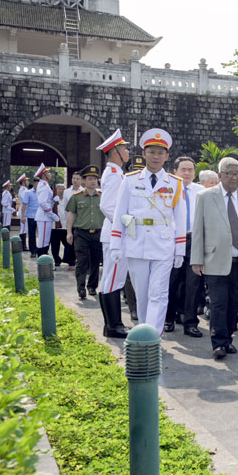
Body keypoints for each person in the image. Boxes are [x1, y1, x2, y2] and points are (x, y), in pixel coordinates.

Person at [110, 128, 186, 336]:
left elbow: (180, 219)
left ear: (167, 156)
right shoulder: (130, 180)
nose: (156, 156)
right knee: (142, 294)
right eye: (151, 152)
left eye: (160, 153)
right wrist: (116, 244)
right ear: (143, 154)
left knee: (159, 294)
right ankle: (144, 332)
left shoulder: (175, 184)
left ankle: (154, 336)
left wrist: (180, 250)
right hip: (137, 244)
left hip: (163, 246)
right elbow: (119, 214)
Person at [191, 157, 238, 360]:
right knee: (218, 304)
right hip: (215, 260)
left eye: (237, 174)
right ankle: (218, 343)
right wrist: (196, 259)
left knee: (234, 303)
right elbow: (197, 229)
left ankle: (228, 339)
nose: (234, 177)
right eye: (230, 173)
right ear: (220, 175)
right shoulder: (205, 197)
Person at [164, 156, 205, 337]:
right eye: (183, 169)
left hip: (194, 240)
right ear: (175, 172)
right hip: (172, 241)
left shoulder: (201, 191)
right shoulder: (167, 189)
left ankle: (190, 322)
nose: (187, 173)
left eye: (190, 170)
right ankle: (168, 318)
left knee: (193, 284)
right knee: (171, 281)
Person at [97, 130, 132, 337]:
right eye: (124, 148)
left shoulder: (117, 173)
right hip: (115, 236)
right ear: (115, 152)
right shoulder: (112, 174)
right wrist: (126, 225)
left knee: (112, 279)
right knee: (113, 280)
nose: (127, 151)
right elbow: (108, 206)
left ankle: (112, 324)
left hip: (114, 234)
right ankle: (113, 326)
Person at [66, 166, 104, 301]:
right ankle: (81, 288)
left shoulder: (102, 197)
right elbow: (71, 214)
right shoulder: (76, 197)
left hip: (98, 234)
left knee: (95, 261)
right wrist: (69, 232)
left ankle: (92, 286)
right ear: (84, 181)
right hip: (81, 233)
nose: (93, 182)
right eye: (90, 179)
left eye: (95, 179)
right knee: (82, 261)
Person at [122, 155, 145, 322]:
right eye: (134, 169)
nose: (137, 172)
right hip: (129, 234)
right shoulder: (126, 184)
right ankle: (134, 308)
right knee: (131, 275)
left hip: (149, 238)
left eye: (140, 168)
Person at [61, 171, 83, 269]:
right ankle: (70, 262)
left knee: (79, 242)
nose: (75, 180)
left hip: (80, 221)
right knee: (69, 242)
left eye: (77, 179)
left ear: (81, 180)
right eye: (74, 178)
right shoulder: (67, 192)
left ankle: (79, 261)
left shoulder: (84, 191)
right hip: (70, 220)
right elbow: (65, 207)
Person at [33, 164, 55, 257]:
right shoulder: (44, 186)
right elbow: (42, 203)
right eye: (48, 172)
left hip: (44, 216)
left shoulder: (44, 185)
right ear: (44, 175)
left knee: (44, 239)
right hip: (45, 216)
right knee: (44, 240)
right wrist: (51, 214)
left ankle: (43, 259)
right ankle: (42, 259)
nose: (50, 174)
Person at [20, 176, 39, 256]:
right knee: (31, 234)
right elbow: (24, 205)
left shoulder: (42, 192)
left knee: (41, 234)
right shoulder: (28, 192)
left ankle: (41, 250)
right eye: (37, 183)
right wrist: (23, 216)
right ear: (34, 183)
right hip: (31, 216)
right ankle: (33, 251)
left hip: (40, 216)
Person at [49, 183, 67, 266]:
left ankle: (67, 259)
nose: (61, 191)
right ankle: (57, 259)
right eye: (59, 189)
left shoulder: (66, 200)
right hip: (55, 226)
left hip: (65, 226)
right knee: (55, 245)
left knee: (67, 244)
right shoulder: (53, 200)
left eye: (62, 189)